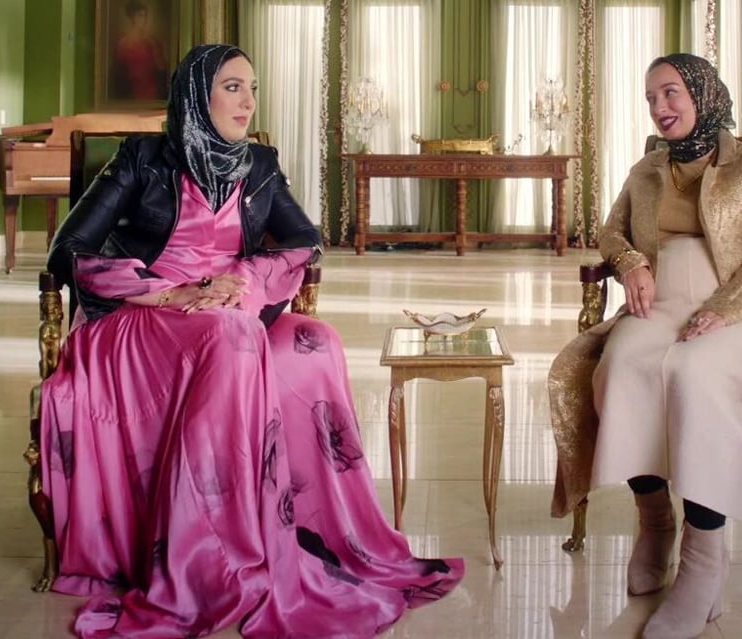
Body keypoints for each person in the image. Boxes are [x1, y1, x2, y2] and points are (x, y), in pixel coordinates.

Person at [42, 44, 463, 638]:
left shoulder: (258, 163)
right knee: (234, 336)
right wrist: (170, 293)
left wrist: (242, 279)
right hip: (143, 320)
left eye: (254, 88)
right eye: (234, 87)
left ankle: (293, 532)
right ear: (197, 93)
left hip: (228, 304)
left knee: (314, 341)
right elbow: (70, 251)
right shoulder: (141, 159)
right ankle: (212, 555)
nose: (249, 101)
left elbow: (303, 240)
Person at [548, 53, 742, 639]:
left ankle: (703, 560)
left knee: (694, 374)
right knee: (621, 367)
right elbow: (610, 228)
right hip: (662, 303)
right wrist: (630, 262)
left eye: (670, 93)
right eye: (650, 99)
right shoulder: (647, 168)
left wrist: (726, 307)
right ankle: (656, 524)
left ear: (701, 93)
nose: (660, 108)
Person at [113, 0, 168, 101]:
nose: (144, 20)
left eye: (144, 16)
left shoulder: (151, 42)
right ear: (132, 18)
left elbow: (161, 68)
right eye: (140, 16)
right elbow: (119, 73)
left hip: (152, 93)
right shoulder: (124, 44)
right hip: (131, 93)